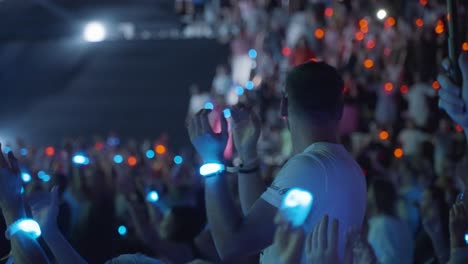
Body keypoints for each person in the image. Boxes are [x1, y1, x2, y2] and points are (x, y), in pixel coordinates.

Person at [187, 61, 367, 262]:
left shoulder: (311, 166)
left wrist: (212, 162)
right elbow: (260, 223)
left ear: (284, 106)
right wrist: (248, 157)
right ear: (340, 109)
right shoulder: (348, 167)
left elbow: (231, 246)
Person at [367, 179, 414, 264]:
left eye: (369, 192)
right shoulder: (400, 222)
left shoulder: (381, 226)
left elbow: (389, 260)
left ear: (375, 198)